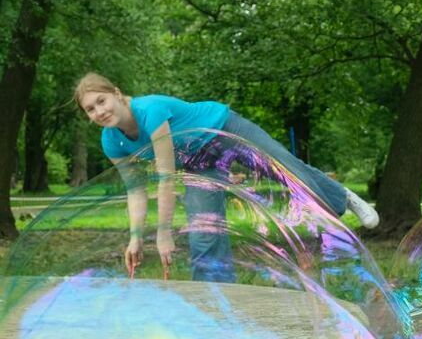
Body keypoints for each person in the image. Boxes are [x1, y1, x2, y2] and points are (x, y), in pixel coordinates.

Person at [74, 74, 379, 281]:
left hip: (224, 130)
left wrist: (163, 233)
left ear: (116, 94)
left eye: (101, 101)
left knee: (287, 171)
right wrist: (136, 238)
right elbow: (136, 191)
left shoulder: (149, 111)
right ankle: (218, 307)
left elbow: (166, 179)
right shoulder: (111, 140)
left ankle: (342, 196)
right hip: (197, 162)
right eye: (90, 109)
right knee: (204, 235)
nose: (99, 111)